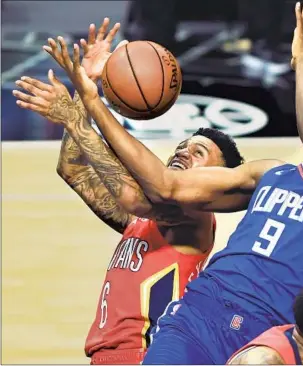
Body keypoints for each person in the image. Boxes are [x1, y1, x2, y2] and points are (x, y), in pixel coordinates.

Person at [40, 2, 303, 364]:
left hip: (267, 337)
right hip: (197, 314)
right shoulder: (272, 173)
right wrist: (92, 101)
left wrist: (302, 62)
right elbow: (165, 185)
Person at [13, 18, 244, 365]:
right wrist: (85, 83)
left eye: (198, 153)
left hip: (152, 354)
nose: (183, 151)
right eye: (182, 145)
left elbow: (130, 196)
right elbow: (73, 169)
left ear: (218, 178)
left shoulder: (191, 212)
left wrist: (82, 113)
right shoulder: (149, 219)